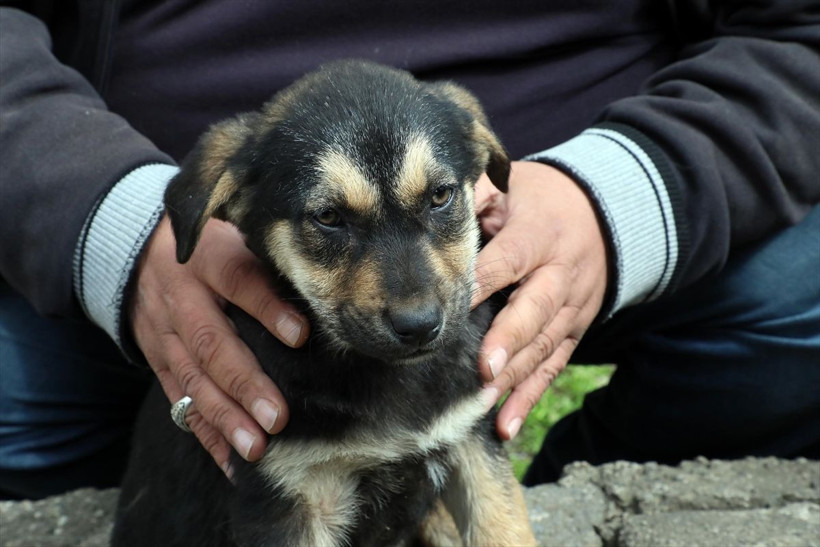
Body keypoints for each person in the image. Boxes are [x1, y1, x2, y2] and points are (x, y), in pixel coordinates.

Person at [1, 0, 818, 499]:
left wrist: (630, 191)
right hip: (183, 244)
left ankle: (583, 484)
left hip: (561, 206)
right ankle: (176, 492)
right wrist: (102, 215)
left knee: (803, 292)